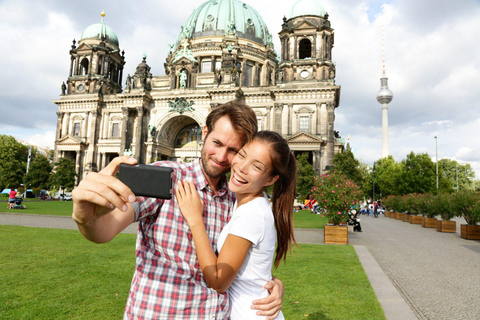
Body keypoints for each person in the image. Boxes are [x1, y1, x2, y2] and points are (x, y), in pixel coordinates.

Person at [71, 101, 284, 319]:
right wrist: (85, 218)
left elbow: (239, 263)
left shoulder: (237, 198)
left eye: (233, 150)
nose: (221, 157)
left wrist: (270, 283)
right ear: (204, 133)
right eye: (217, 143)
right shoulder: (165, 178)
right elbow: (104, 230)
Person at [176, 131, 297, 319]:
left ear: (270, 179)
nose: (241, 168)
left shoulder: (251, 212)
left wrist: (195, 220)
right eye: (241, 155)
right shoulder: (246, 202)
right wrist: (275, 282)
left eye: (256, 166)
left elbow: (218, 281)